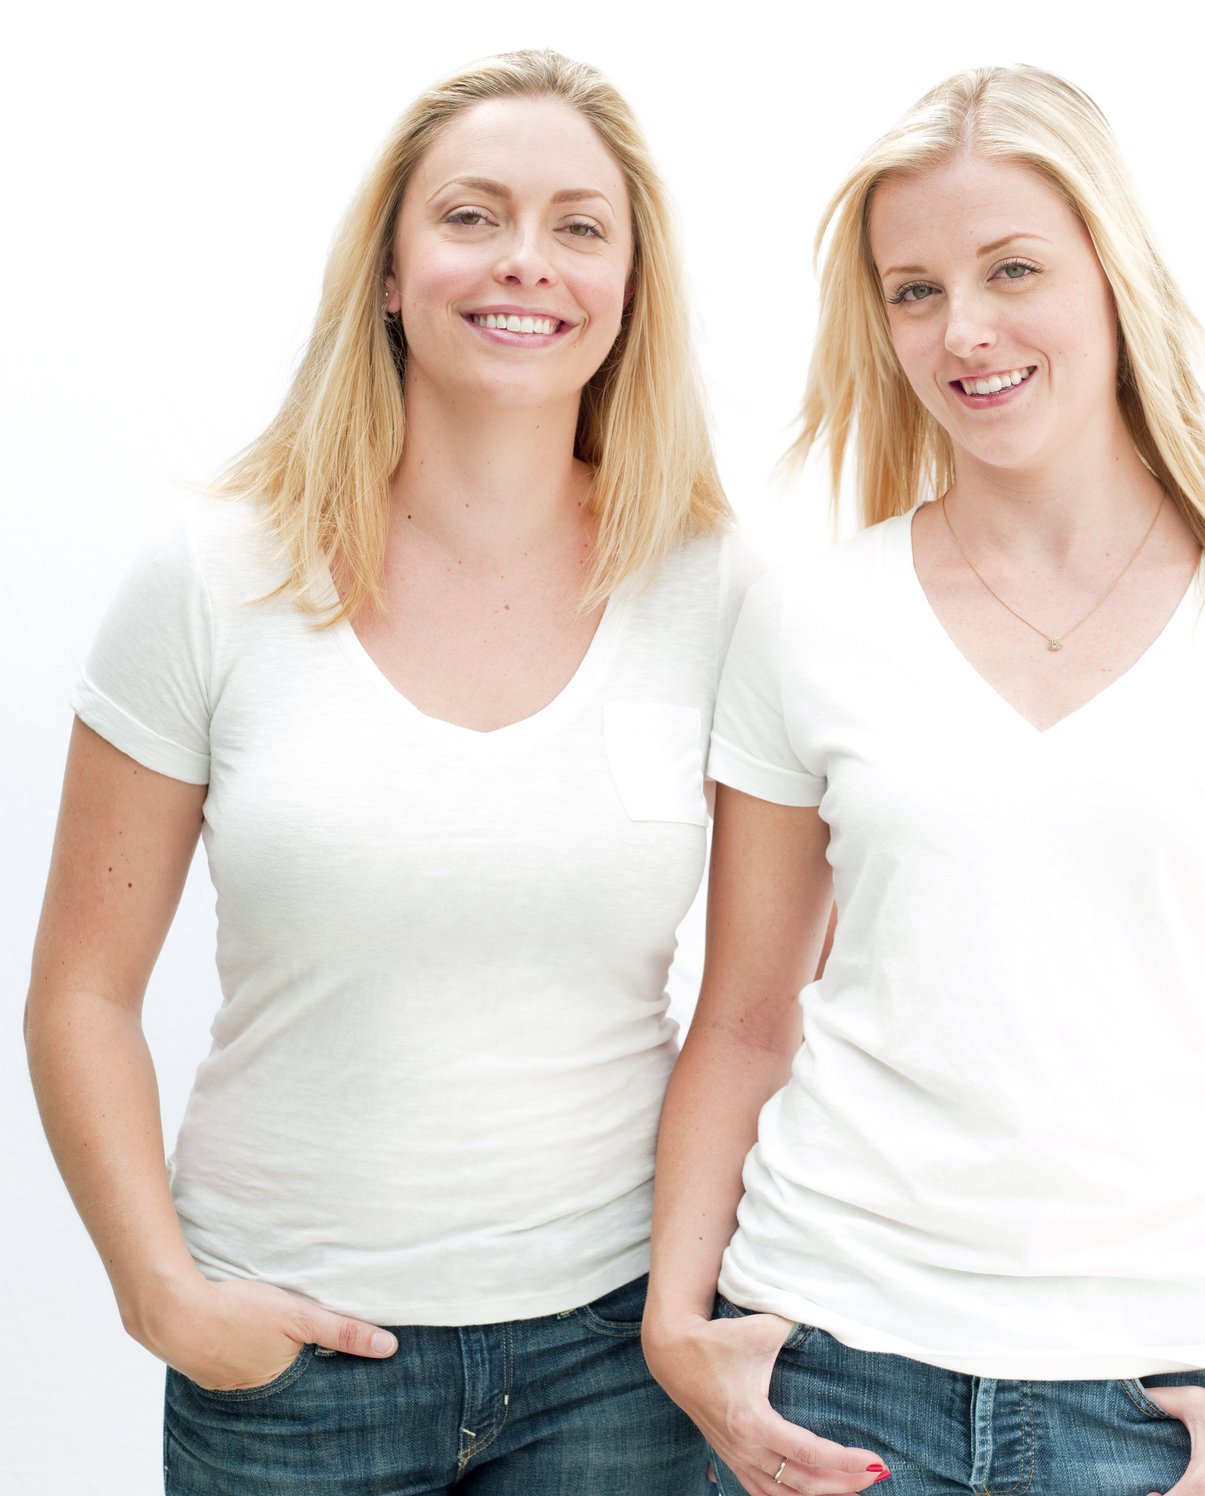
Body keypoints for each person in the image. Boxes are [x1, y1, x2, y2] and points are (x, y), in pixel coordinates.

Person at [643, 64, 1205, 1496]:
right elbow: (741, 1014)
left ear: (1112, 273)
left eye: (1011, 270)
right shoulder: (812, 618)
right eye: (912, 290)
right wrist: (682, 1324)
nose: (962, 331)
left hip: (1153, 1399)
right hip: (827, 1366)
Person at [24, 49, 745, 1495]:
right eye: (471, 216)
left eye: (579, 226)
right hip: (290, 1353)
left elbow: (765, 1004)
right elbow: (82, 991)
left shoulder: (712, 590)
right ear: (393, 273)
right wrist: (159, 1292)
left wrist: (692, 1306)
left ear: (631, 290)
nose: (524, 261)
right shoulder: (213, 577)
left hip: (614, 1356)